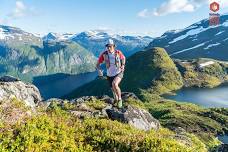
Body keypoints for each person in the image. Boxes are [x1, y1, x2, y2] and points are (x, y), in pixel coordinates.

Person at [96, 39, 126, 108]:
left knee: (115, 84)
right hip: (109, 75)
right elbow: (97, 64)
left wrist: (123, 65)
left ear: (113, 46)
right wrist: (99, 70)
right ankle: (116, 99)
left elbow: (123, 58)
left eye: (110, 46)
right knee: (113, 89)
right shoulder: (104, 54)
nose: (109, 48)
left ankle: (120, 100)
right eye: (107, 46)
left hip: (118, 72)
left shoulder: (118, 52)